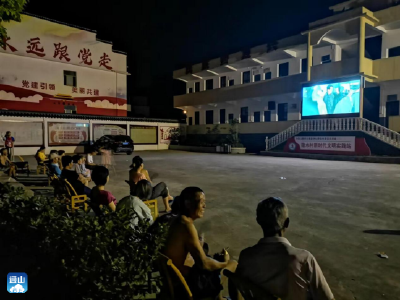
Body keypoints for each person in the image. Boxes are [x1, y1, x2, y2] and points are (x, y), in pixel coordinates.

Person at [236, 197, 334, 300]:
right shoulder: (303, 259)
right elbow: (327, 298)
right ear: (287, 223)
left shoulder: (245, 256)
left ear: (258, 221)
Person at [163, 187, 237, 300]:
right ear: (188, 204)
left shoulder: (176, 221)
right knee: (233, 265)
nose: (204, 206)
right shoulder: (186, 225)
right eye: (201, 202)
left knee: (213, 260)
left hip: (177, 280)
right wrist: (224, 263)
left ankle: (220, 298)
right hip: (189, 285)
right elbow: (204, 264)